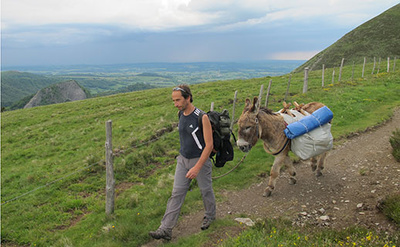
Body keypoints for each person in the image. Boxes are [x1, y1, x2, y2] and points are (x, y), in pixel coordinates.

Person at [149, 84, 216, 241]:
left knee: (205, 190)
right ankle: (165, 229)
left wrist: (197, 167)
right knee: (176, 194)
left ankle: (210, 216)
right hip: (182, 160)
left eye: (178, 100)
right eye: (173, 101)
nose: (176, 104)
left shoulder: (202, 117)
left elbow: (209, 145)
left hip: (200, 160)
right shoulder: (181, 114)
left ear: (188, 97)